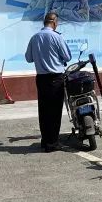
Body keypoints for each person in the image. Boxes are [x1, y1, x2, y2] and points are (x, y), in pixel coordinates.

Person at [24, 11, 71, 151]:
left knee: (43, 110)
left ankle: (45, 140)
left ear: (44, 22)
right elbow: (67, 57)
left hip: (41, 78)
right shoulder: (57, 37)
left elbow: (28, 58)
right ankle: (52, 143)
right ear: (54, 22)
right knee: (55, 111)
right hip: (56, 78)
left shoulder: (35, 37)